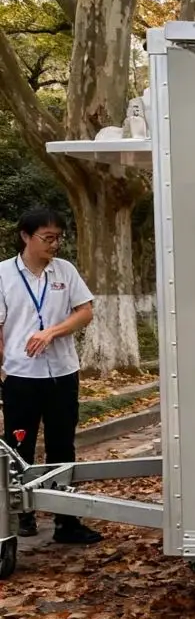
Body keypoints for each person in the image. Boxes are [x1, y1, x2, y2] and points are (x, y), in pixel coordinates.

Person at [0, 207, 102, 544]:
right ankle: (21, 516)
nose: (54, 244)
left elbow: (84, 312)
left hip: (62, 373)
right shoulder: (3, 275)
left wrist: (52, 332)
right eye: (48, 238)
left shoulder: (65, 271)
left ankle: (66, 521)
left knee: (62, 447)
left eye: (58, 238)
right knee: (19, 448)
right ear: (26, 236)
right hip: (19, 376)